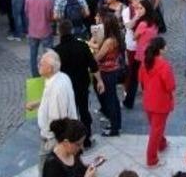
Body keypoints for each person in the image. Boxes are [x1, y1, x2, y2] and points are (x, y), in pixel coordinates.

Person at [25, 49, 78, 170]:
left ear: (50, 69)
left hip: (52, 139)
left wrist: (51, 139)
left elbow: (57, 119)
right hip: (56, 136)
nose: (38, 65)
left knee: (45, 168)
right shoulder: (61, 77)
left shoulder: (56, 88)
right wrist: (38, 103)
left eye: (42, 63)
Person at [54, 20, 104, 149]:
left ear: (59, 32)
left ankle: (71, 140)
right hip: (82, 85)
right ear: (72, 30)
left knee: (69, 114)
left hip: (65, 89)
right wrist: (99, 80)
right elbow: (93, 66)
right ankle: (86, 139)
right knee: (84, 111)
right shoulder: (82, 46)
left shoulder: (56, 51)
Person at [139, 37, 175, 168]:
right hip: (161, 103)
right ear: (160, 49)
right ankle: (152, 159)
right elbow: (170, 86)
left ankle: (162, 144)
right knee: (156, 130)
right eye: (165, 46)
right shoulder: (164, 65)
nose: (167, 48)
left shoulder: (145, 62)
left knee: (156, 127)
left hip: (148, 101)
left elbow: (141, 80)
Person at [91, 12, 123, 136]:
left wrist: (92, 53)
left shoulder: (109, 41)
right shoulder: (113, 37)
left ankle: (114, 127)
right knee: (113, 99)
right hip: (111, 71)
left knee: (110, 100)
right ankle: (116, 124)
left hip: (107, 72)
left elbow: (98, 57)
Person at [124, 0, 158, 109]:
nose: (138, 10)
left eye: (140, 8)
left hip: (140, 55)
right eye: (137, 8)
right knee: (148, 79)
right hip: (151, 55)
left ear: (146, 9)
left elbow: (134, 37)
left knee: (134, 79)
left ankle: (128, 102)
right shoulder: (153, 22)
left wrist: (136, 17)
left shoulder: (142, 24)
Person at [26, 0, 55, 77]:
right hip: (45, 30)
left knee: (33, 55)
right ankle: (49, 74)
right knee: (48, 54)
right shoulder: (48, 0)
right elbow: (50, 16)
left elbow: (26, 13)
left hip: (33, 30)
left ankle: (35, 75)